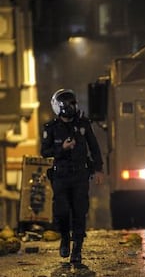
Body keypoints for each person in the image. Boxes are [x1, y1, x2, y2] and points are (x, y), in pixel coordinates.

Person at [41, 89, 104, 263]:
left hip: (80, 175)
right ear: (59, 107)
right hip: (60, 175)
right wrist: (62, 149)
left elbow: (94, 148)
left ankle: (77, 247)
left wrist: (98, 169)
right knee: (61, 211)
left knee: (79, 210)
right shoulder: (51, 128)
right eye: (69, 104)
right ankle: (64, 239)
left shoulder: (83, 125)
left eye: (74, 103)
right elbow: (44, 152)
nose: (72, 107)